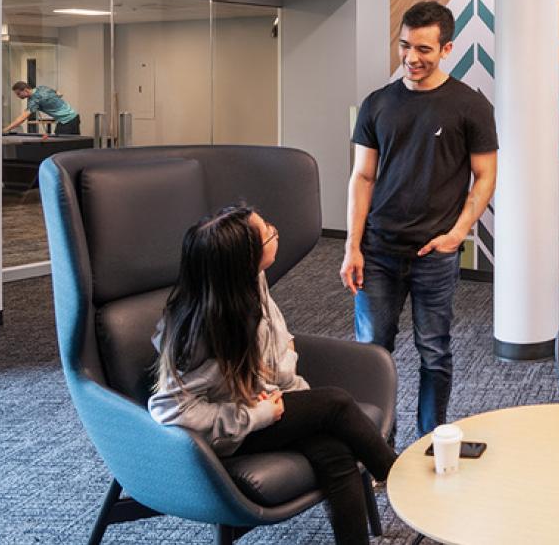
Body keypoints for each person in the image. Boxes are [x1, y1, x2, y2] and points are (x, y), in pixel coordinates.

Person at [149, 206, 397, 545]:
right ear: (246, 259)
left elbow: (272, 349)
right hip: (236, 433)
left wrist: (281, 361)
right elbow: (169, 411)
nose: (274, 230)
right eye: (266, 230)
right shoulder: (203, 333)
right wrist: (257, 414)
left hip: (269, 400)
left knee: (336, 454)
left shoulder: (250, 281)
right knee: (336, 403)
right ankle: (404, 481)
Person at [339, 0, 498, 437]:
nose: (411, 58)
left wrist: (458, 233)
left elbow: (485, 177)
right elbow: (362, 176)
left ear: (447, 48)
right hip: (377, 251)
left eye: (424, 49)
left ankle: (432, 442)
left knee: (435, 353)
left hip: (435, 254)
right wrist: (352, 245)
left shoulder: (470, 106)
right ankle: (376, 447)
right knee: (373, 353)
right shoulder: (377, 104)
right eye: (405, 46)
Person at [3, 81, 80, 135]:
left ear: (25, 90)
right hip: (75, 117)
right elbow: (59, 93)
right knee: (76, 148)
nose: (18, 96)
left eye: (18, 93)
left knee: (61, 149)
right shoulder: (41, 88)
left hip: (66, 121)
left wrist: (5, 129)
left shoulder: (34, 100)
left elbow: (22, 119)